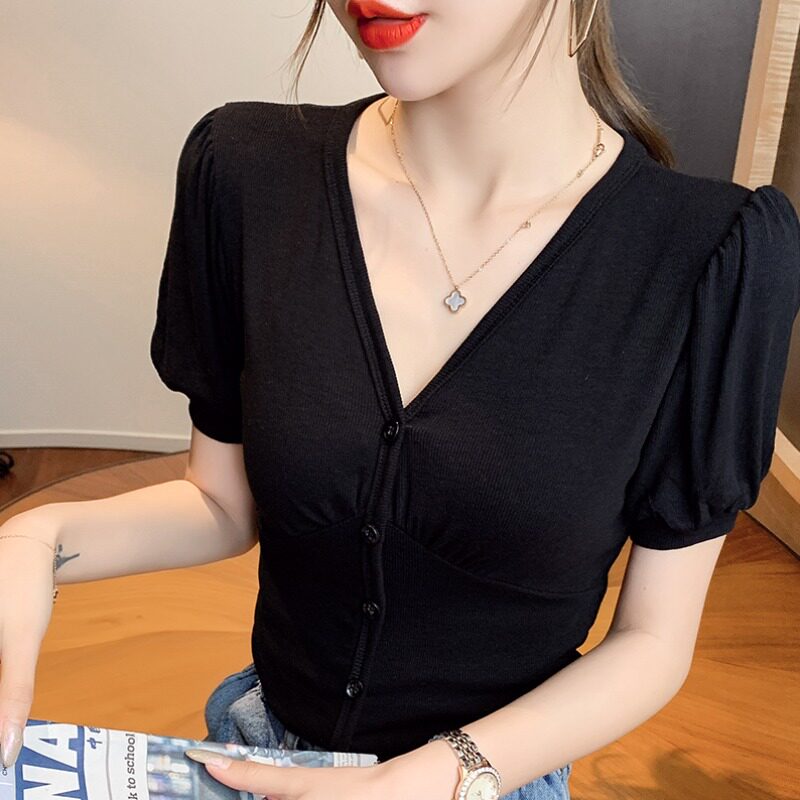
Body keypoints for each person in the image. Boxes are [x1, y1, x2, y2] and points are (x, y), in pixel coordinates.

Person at [2, 1, 800, 799]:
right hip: (255, 755)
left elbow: (653, 641)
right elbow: (220, 502)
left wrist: (427, 779)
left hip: (490, 779)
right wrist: (40, 537)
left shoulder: (710, 257)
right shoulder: (247, 171)